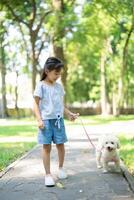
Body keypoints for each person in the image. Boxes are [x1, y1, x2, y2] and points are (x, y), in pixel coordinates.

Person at [33, 57, 79, 187]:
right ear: (47, 71)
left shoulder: (59, 87)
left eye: (59, 74)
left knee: (61, 145)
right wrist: (39, 120)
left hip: (58, 121)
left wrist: (69, 114)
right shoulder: (41, 85)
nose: (58, 76)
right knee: (46, 147)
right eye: (56, 73)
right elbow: (35, 104)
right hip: (46, 122)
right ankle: (48, 175)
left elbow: (60, 105)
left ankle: (61, 168)